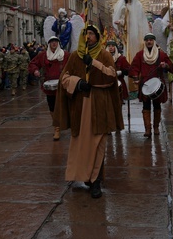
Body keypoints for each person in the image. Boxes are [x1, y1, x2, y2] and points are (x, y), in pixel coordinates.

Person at [53, 25, 124, 198]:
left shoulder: (105, 54)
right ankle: (84, 176)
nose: (89, 36)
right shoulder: (75, 56)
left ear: (98, 37)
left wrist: (93, 63)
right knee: (81, 145)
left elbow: (111, 76)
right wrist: (77, 83)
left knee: (98, 145)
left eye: (92, 33)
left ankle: (96, 181)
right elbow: (64, 78)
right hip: (80, 106)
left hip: (99, 105)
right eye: (86, 33)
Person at [129, 33, 173, 137]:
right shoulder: (140, 54)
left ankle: (156, 127)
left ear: (154, 42)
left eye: (151, 40)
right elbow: (134, 67)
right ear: (145, 42)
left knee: (157, 106)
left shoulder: (161, 54)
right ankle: (147, 129)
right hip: (145, 84)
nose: (149, 42)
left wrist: (165, 65)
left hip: (157, 84)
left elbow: (170, 65)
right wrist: (135, 77)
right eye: (147, 40)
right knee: (146, 106)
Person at [28, 36, 70, 140]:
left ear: (58, 43)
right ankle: (57, 127)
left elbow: (73, 65)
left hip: (63, 86)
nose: (54, 44)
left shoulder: (65, 55)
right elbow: (33, 63)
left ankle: (65, 126)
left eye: (56, 42)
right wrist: (35, 71)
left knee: (64, 107)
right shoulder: (43, 55)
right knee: (52, 107)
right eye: (52, 42)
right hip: (49, 87)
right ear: (49, 44)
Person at [113, 0, 149, 65]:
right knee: (129, 48)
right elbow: (123, 19)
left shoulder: (138, 5)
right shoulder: (124, 7)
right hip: (129, 32)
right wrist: (119, 22)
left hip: (137, 30)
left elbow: (141, 18)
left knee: (138, 47)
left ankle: (138, 64)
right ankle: (130, 64)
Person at [106, 39, 130, 104]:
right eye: (109, 46)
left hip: (119, 83)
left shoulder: (121, 58)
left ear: (115, 48)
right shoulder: (103, 58)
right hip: (107, 83)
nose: (110, 48)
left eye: (112, 46)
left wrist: (121, 72)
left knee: (119, 105)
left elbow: (129, 69)